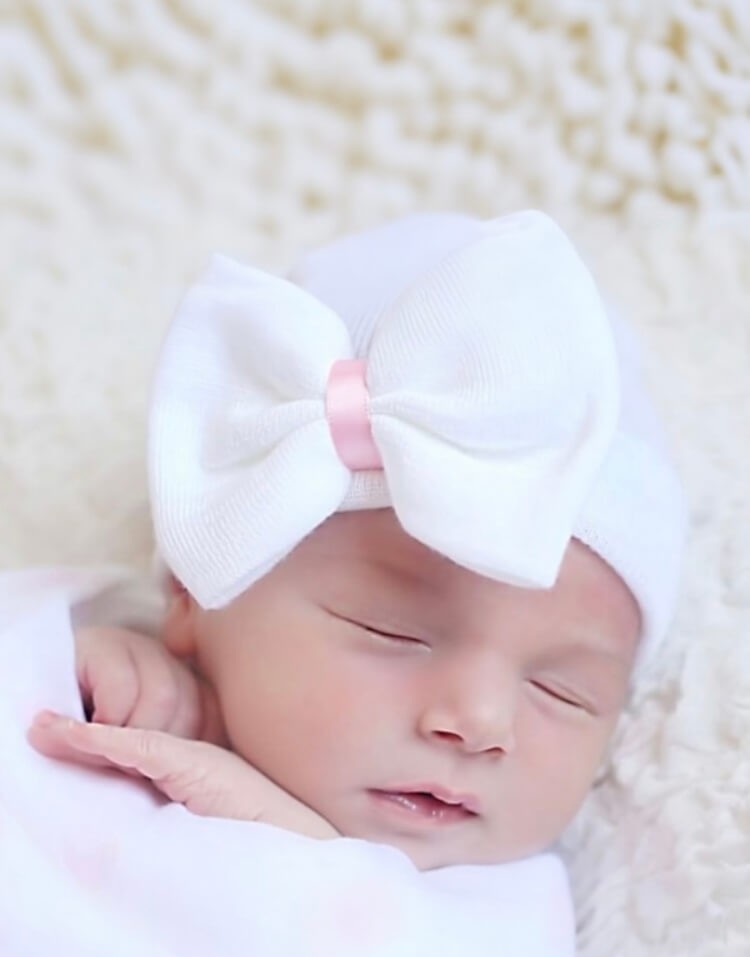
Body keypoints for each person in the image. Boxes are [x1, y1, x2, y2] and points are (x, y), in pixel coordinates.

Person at [28, 209, 686, 879]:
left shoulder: (507, 911)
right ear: (195, 590)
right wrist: (49, 666)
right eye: (394, 631)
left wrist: (280, 828)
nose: (480, 721)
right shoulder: (79, 684)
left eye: (563, 692)